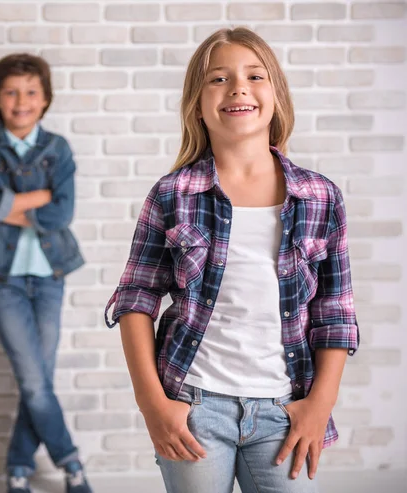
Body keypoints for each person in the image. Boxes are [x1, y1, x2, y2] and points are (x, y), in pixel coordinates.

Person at [105, 27, 359, 493]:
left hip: (284, 409)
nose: (238, 87)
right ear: (197, 104)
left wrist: (320, 403)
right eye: (218, 79)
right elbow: (135, 300)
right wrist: (152, 404)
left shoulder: (320, 197)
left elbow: (335, 313)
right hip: (194, 407)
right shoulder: (172, 195)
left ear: (276, 94)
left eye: (254, 75)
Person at [0, 53, 91, 493]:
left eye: (31, 92)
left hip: (51, 274)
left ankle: (17, 469)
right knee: (35, 380)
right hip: (3, 278)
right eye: (12, 92)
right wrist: (37, 196)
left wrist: (4, 200)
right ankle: (72, 464)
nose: (21, 101)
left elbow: (63, 213)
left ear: (46, 99)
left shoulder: (57, 148)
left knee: (37, 381)